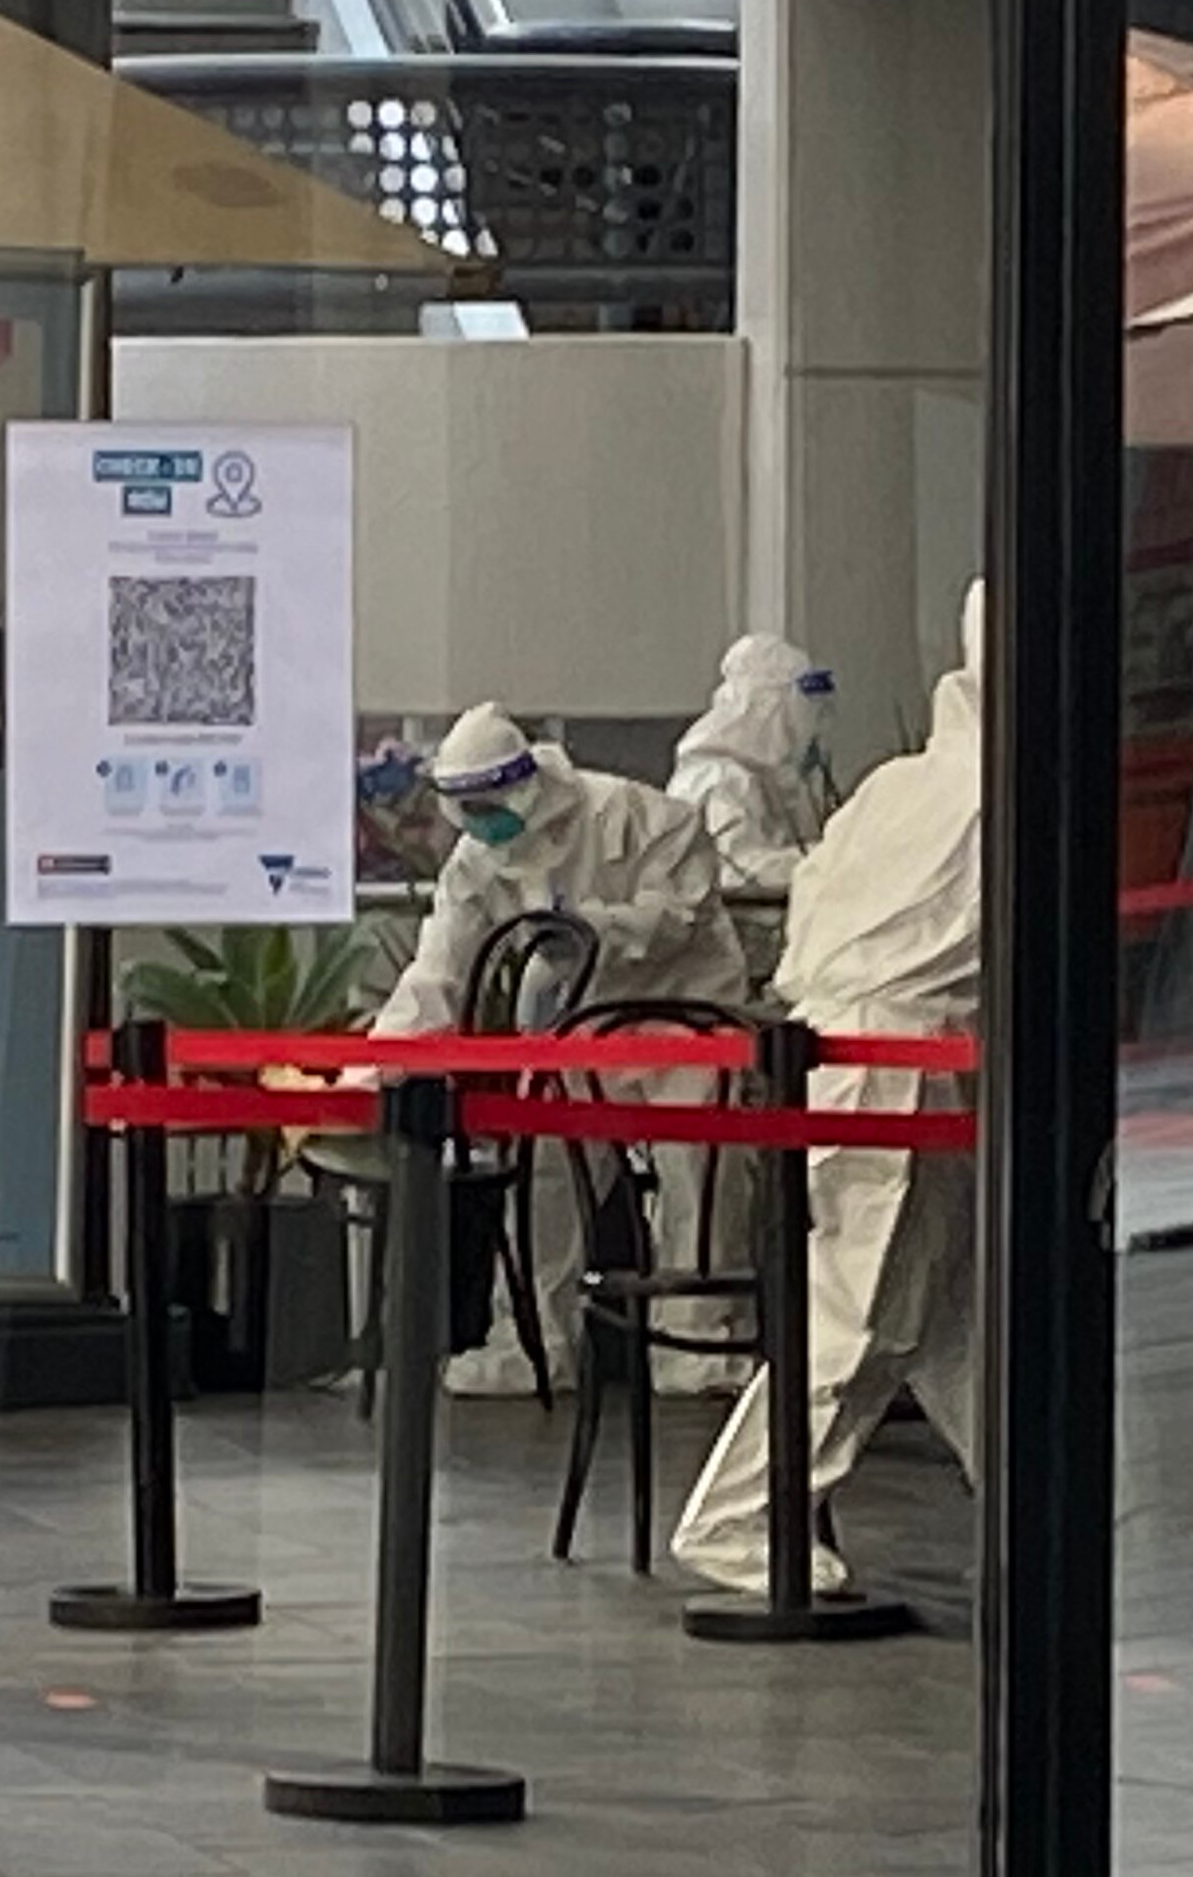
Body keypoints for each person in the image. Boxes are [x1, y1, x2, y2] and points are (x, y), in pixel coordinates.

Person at [671, 580, 985, 1591]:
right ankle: (738, 1516)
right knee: (859, 1306)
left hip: (847, 1051)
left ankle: (1043, 1504)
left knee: (946, 1309)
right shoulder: (996, 796)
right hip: (897, 1067)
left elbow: (809, 898)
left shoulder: (898, 785)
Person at [376, 703, 750, 1392]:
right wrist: (391, 1053)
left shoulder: (644, 817)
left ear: (523, 784)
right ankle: (533, 1342)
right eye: (467, 809)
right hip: (580, 1030)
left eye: (488, 805)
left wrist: (579, 927)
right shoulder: (478, 861)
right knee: (543, 1176)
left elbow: (677, 919)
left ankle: (696, 1344)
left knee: (698, 1173)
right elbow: (441, 965)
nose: (482, 822)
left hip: (681, 1021)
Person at [665, 633, 833, 896]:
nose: (810, 724)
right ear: (768, 707)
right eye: (803, 708)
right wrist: (825, 859)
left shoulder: (774, 780)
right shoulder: (718, 779)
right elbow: (734, 872)